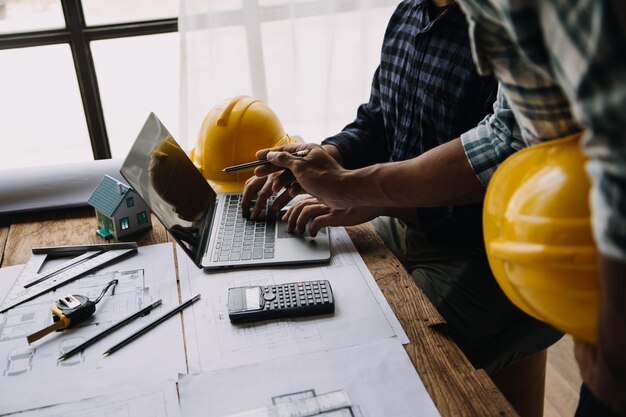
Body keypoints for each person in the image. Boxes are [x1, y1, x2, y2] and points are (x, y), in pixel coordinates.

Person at [252, 1, 626, 415]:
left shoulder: (503, 24)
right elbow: (378, 118)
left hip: (486, 246)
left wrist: (361, 192)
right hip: (404, 220)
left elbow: (502, 171)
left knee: (370, 361)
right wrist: (326, 156)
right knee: (317, 311)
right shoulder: (409, 14)